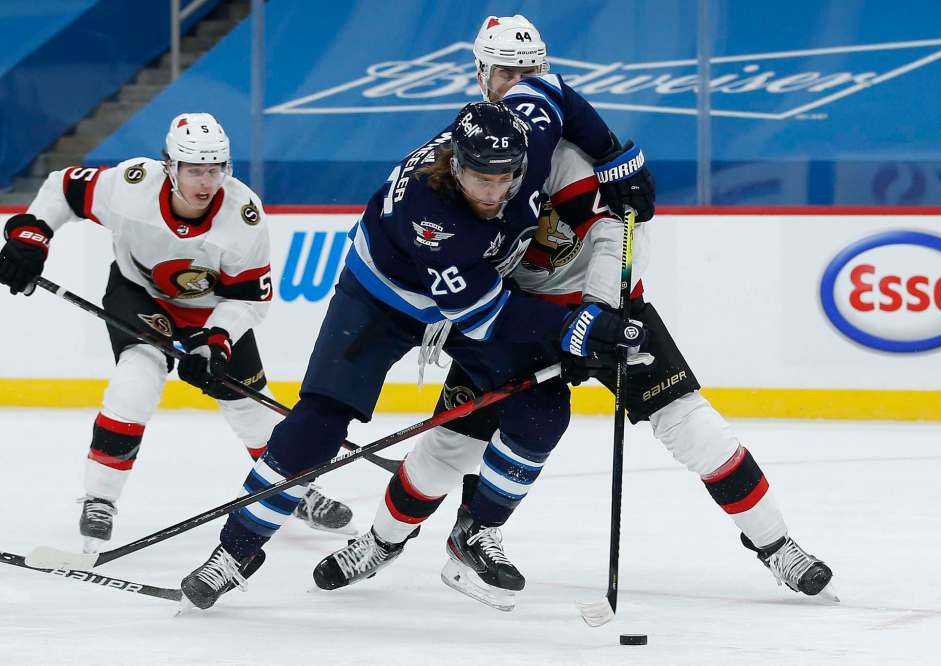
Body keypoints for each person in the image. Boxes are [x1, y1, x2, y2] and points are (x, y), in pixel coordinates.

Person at [313, 15, 836, 612]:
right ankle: (383, 542)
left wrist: (598, 312)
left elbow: (612, 228)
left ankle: (777, 546)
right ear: (481, 74)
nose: (515, 84)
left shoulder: (557, 150)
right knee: (451, 446)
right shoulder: (466, 148)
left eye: (527, 73)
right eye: (504, 72)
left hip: (601, 308)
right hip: (514, 317)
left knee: (691, 423)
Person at [179, 71, 653, 609]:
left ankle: (475, 532)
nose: (495, 194)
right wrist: (574, 329)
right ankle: (235, 551)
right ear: (455, 164)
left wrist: (614, 155)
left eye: (506, 180)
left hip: (472, 291)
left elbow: (552, 91)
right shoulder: (431, 216)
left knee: (544, 409)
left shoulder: (525, 135)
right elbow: (483, 315)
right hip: (381, 298)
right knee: (319, 423)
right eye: (481, 181)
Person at [0, 113, 355, 553]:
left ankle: (293, 490)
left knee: (250, 412)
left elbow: (248, 299)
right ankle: (100, 498)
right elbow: (63, 188)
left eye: (215, 169)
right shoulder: (131, 185)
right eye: (194, 169)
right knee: (137, 379)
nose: (206, 182)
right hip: (140, 296)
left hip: (213, 313)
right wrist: (33, 235)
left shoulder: (243, 216)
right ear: (170, 166)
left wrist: (215, 339)